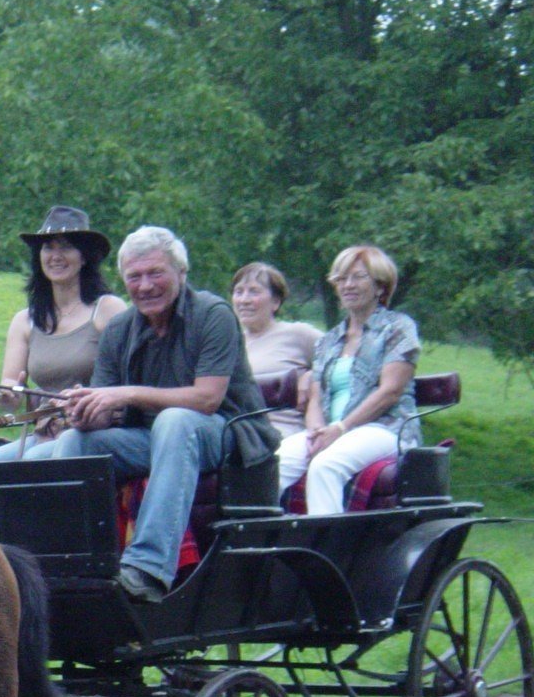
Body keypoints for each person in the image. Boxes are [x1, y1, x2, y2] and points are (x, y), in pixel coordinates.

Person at [52, 226, 279, 602]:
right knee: (74, 441)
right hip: (152, 438)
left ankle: (149, 566)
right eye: (135, 277)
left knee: (176, 421)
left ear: (181, 273)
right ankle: (76, 563)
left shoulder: (213, 314)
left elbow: (208, 399)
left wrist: (126, 393)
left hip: (226, 435)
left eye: (156, 273)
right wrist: (86, 412)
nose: (145, 286)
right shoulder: (120, 328)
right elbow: (108, 410)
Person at [0, 206, 126, 463]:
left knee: (34, 463)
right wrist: (9, 394)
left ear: (84, 257)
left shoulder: (108, 309)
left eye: (65, 247)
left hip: (90, 434)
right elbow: (10, 391)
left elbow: (128, 379)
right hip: (43, 433)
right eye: (48, 248)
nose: (56, 256)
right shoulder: (25, 321)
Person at [276, 245, 419, 515]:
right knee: (273, 464)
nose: (348, 285)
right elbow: (316, 397)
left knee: (326, 465)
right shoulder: (329, 340)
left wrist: (341, 429)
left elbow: (390, 391)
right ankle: (265, 547)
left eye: (358, 277)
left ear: (380, 286)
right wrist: (317, 430)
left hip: (386, 428)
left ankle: (327, 551)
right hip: (333, 429)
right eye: (341, 279)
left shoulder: (398, 328)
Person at [231, 261, 319, 437]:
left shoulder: (298, 334)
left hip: (284, 432)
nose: (244, 300)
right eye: (239, 292)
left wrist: (311, 376)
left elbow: (340, 358)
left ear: (276, 302)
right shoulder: (228, 343)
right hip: (237, 433)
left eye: (254, 291)